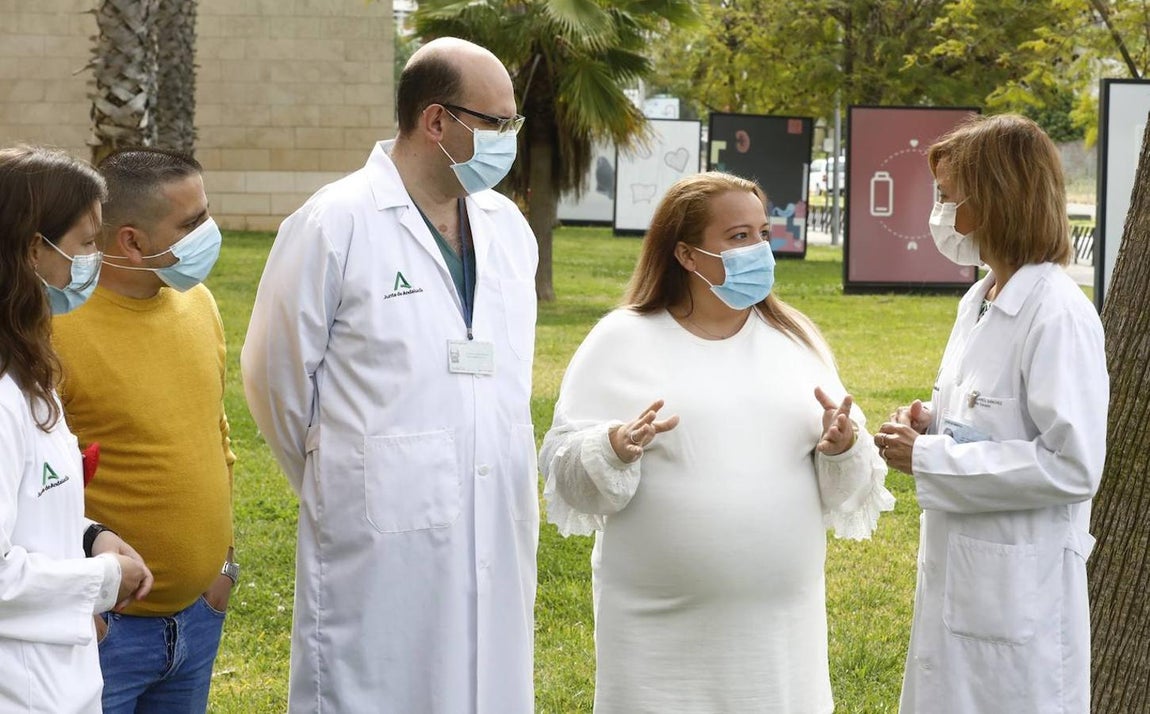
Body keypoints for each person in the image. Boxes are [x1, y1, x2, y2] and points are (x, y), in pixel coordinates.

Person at [242, 37, 538, 713]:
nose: (509, 140)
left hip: (494, 513)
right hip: (375, 530)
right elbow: (273, 378)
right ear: (436, 121)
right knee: (377, 682)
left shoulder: (507, 228)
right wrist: (344, 471)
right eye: (497, 123)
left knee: (486, 681)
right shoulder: (334, 223)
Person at [540, 171, 895, 713]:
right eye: (738, 236)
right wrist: (613, 447)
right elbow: (567, 477)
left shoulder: (796, 339)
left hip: (780, 638)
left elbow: (847, 491)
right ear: (686, 254)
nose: (759, 250)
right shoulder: (621, 340)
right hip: (659, 639)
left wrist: (843, 446)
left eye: (763, 233)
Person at [878, 114, 1108, 714]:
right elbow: (992, 420)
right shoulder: (981, 299)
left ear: (996, 199)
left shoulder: (1057, 314)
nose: (940, 213)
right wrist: (932, 423)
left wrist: (929, 457)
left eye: (948, 197)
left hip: (1019, 592)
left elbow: (1074, 466)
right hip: (965, 575)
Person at [51, 147, 236, 714]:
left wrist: (223, 569)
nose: (209, 233)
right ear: (131, 241)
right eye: (191, 223)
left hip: (199, 618)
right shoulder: (54, 331)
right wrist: (86, 611)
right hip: (106, 635)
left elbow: (217, 435)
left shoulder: (198, 303)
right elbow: (34, 488)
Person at [0, 145, 153, 712]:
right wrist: (103, 580)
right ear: (32, 250)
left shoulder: (27, 364)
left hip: (60, 681)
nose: (95, 260)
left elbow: (26, 502)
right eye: (86, 244)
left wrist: (89, 537)